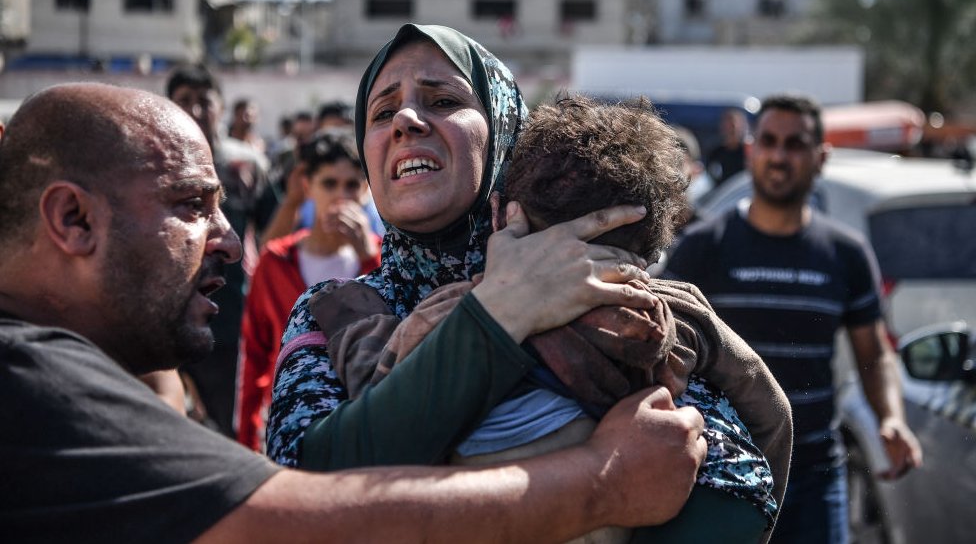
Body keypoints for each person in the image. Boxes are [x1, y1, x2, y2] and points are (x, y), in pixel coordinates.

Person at [0, 82, 707, 543]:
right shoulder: (30, 380)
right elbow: (299, 515)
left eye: (443, 97)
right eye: (191, 206)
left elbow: (733, 463)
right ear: (72, 218)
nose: (230, 239)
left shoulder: (640, 302)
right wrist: (602, 480)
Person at [314, 94, 793, 543]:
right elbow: (771, 407)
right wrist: (758, 499)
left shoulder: (459, 309)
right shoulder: (676, 310)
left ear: (500, 216)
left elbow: (376, 392)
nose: (408, 120)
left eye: (443, 99)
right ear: (651, 250)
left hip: (484, 506)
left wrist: (348, 314)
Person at [663, 93, 924, 544]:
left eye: (795, 144)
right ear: (750, 151)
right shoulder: (704, 247)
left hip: (815, 477)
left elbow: (874, 351)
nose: (780, 156)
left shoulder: (846, 253)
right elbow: (664, 345)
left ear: (820, 157)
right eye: (769, 141)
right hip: (722, 477)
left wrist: (891, 418)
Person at [235, 129, 382, 451]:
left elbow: (397, 330)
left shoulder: (386, 259)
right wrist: (247, 438)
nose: (341, 196)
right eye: (329, 184)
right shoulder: (274, 261)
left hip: (367, 424)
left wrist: (369, 257)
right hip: (293, 425)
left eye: (352, 185)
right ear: (307, 187)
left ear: (367, 191)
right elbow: (254, 355)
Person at [167, 63, 276, 437]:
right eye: (184, 101)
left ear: (220, 106)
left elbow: (274, 230)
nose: (195, 110)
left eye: (204, 101)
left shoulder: (245, 164)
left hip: (227, 316)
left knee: (227, 425)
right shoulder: (155, 164)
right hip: (163, 311)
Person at [705, 108, 749, 186]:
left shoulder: (748, 152)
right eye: (728, 125)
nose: (731, 129)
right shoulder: (716, 153)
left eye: (734, 126)